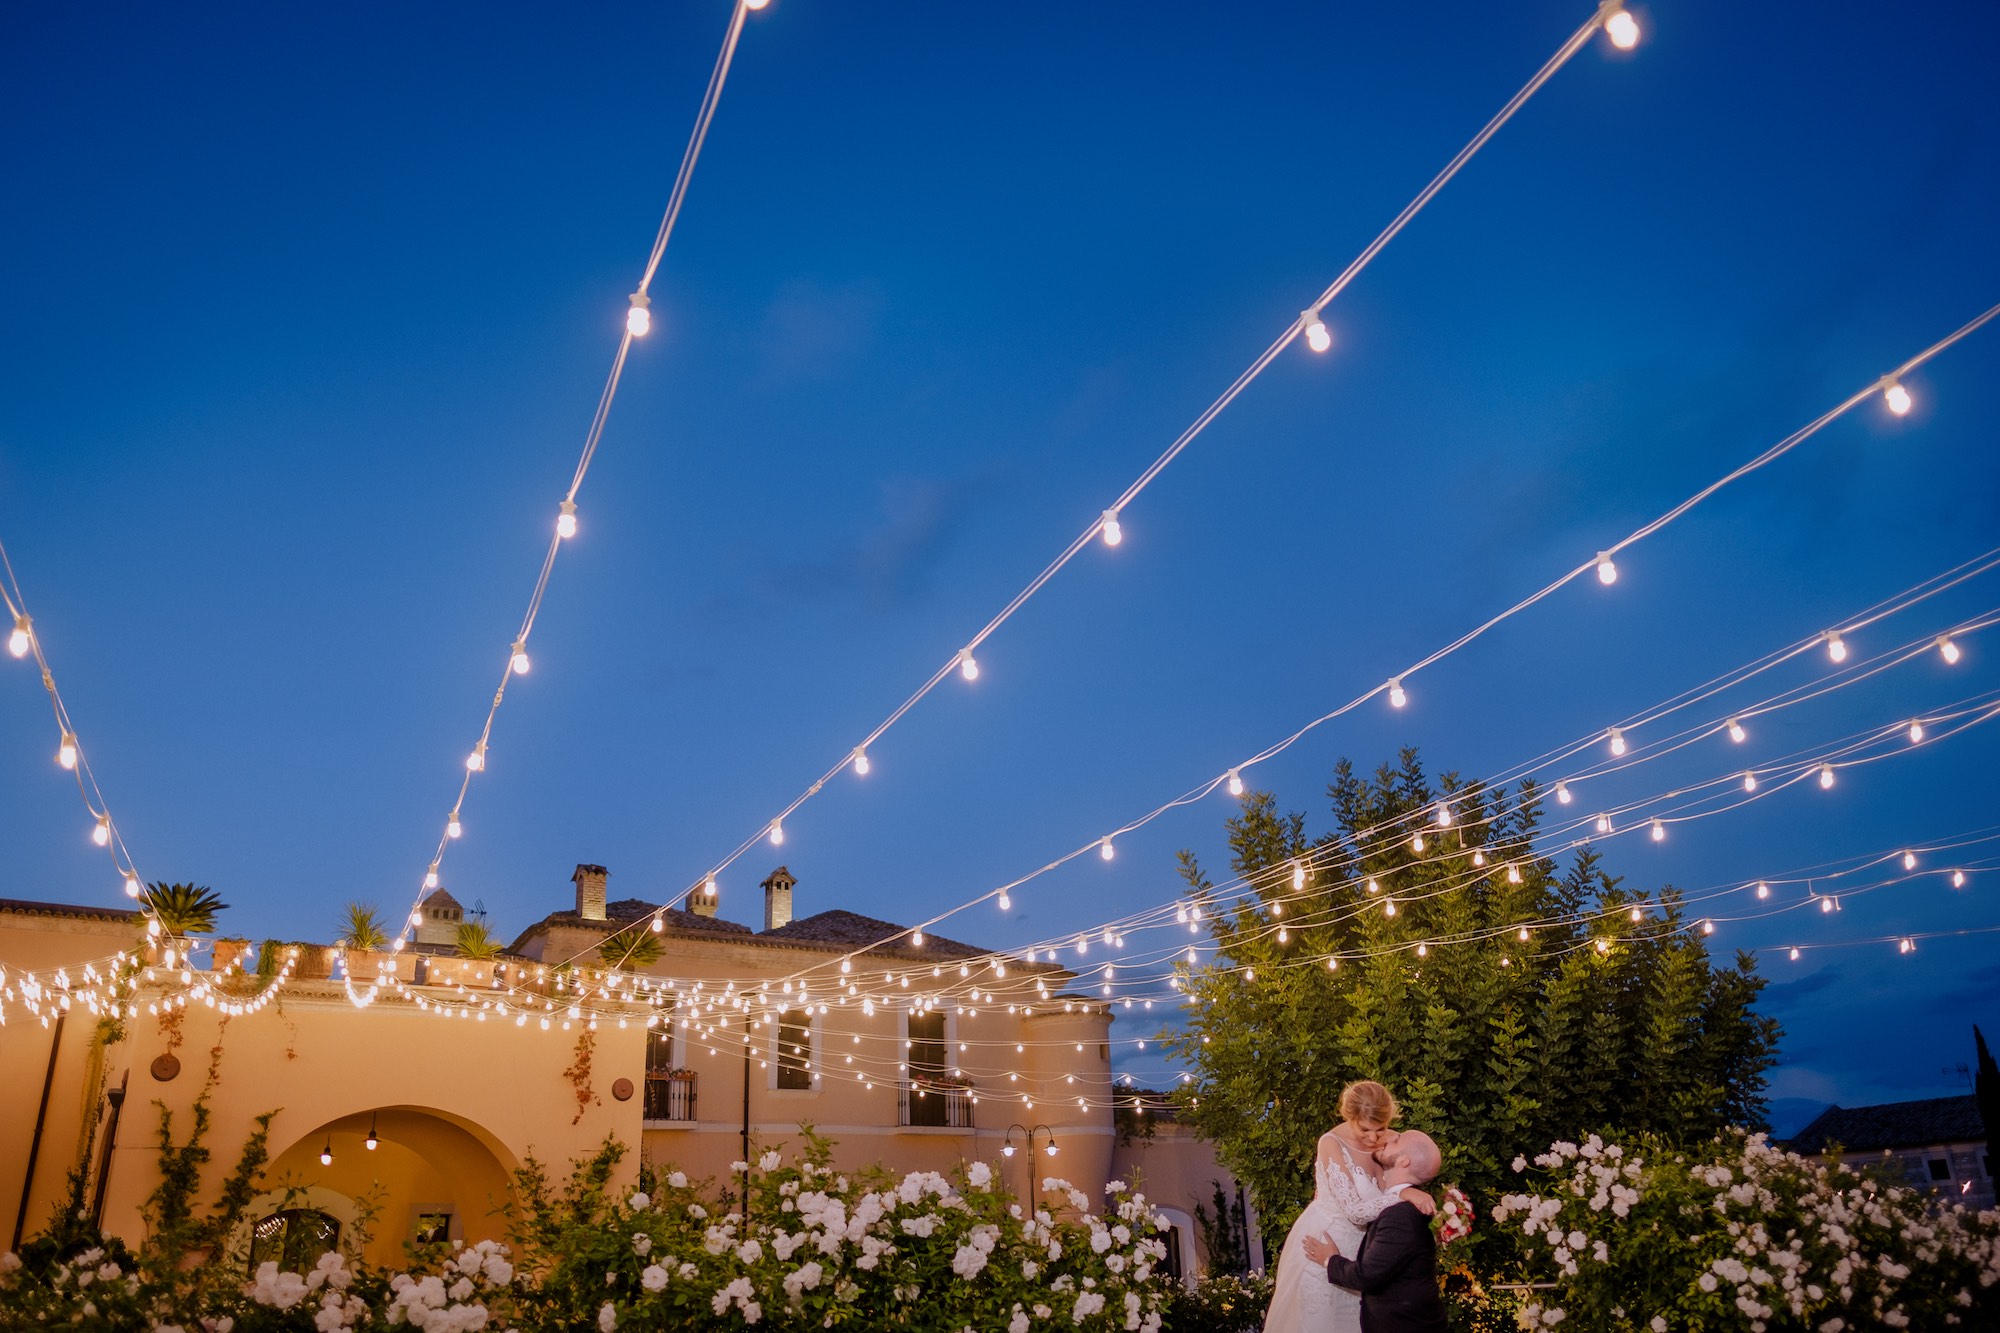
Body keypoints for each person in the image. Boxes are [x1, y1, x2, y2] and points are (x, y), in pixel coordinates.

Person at [1261, 1082, 1433, 1333]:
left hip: (1366, 1255)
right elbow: (1355, 1212)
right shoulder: (1331, 1143)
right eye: (1365, 1129)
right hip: (1326, 1243)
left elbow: (1409, 1169)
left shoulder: (1391, 1141)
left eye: (1381, 1128)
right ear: (1349, 1116)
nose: (1374, 1138)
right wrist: (1403, 1194)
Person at [1301, 1130, 1451, 1333]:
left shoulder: (1401, 1216)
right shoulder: (1404, 1206)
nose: (1388, 1138)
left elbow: (1367, 1276)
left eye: (1397, 1140)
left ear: (1403, 1162)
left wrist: (1329, 1259)